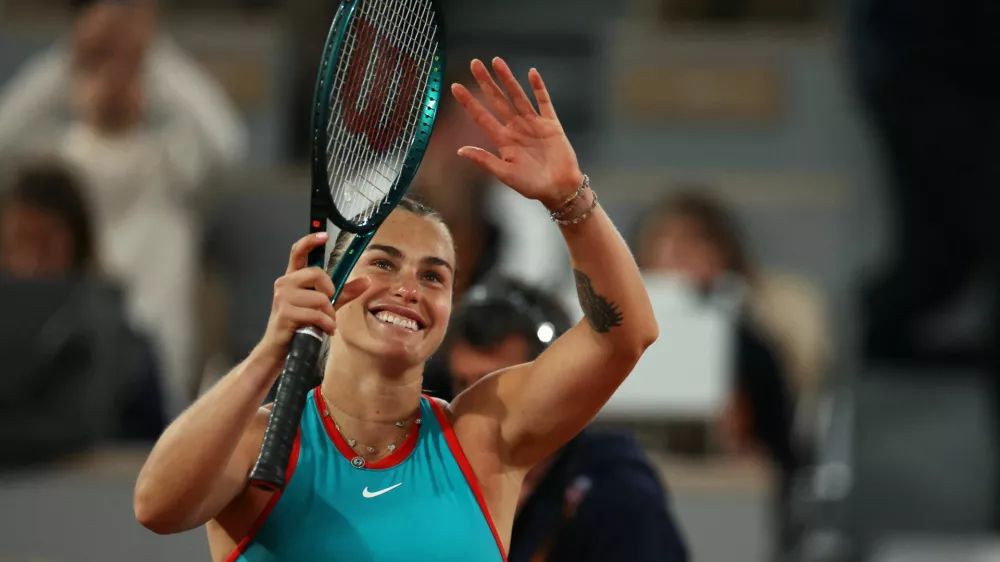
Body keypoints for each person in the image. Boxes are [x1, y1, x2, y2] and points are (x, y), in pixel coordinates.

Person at [133, 57, 658, 561]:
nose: (409, 288)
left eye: (434, 276)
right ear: (328, 285)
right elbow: (156, 507)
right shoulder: (259, 443)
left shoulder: (484, 435)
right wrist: (273, 350)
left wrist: (570, 199)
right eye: (384, 264)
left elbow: (624, 335)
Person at [0, 0, 248, 417]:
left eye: (129, 69)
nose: (113, 79)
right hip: (61, 380)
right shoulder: (54, 165)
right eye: (98, 66)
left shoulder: (174, 165)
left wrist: (152, 52)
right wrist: (71, 54)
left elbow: (229, 148)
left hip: (158, 382)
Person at [447, 275, 689, 562]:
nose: (478, 406)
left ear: (558, 383)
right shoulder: (441, 483)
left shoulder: (619, 495)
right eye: (464, 384)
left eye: (498, 386)